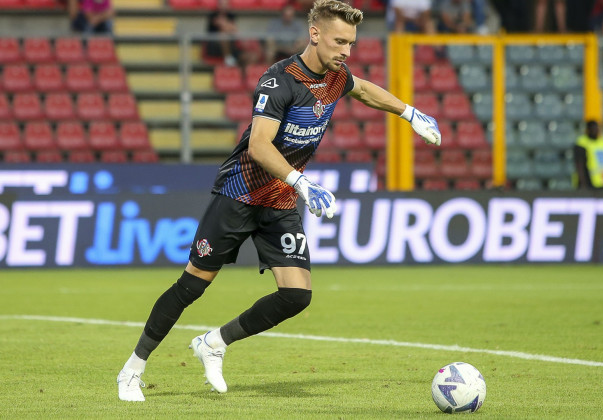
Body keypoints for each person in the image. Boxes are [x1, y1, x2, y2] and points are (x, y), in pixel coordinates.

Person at [117, 0, 441, 402]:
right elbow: (258, 145)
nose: (346, 51)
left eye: (352, 43)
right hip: (241, 193)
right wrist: (302, 182)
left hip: (281, 198)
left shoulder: (337, 76)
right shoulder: (279, 80)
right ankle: (133, 369)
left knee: (296, 295)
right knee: (191, 286)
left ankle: (214, 342)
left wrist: (408, 111)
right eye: (340, 41)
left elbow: (365, 91)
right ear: (315, 34)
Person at [572, 120, 603, 190]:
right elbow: (579, 165)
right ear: (588, 130)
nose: (595, 130)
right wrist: (583, 185)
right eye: (593, 128)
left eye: (597, 128)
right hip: (590, 183)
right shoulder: (582, 143)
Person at [204, 0, 244, 66]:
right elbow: (221, 25)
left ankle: (231, 59)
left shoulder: (231, 15)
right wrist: (229, 26)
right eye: (222, 4)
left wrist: (228, 27)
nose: (224, 6)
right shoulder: (213, 15)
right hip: (213, 43)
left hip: (230, 42)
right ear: (218, 5)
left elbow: (234, 29)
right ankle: (228, 57)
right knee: (223, 34)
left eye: (225, 4)